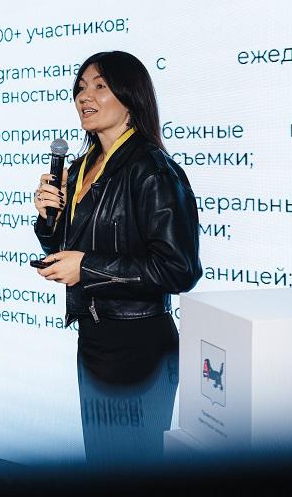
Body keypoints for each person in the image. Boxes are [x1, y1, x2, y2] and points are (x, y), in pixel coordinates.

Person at [32, 50, 201, 467]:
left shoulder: (152, 169)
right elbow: (64, 249)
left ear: (130, 98)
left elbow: (179, 268)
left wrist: (86, 268)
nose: (84, 97)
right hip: (95, 339)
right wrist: (49, 219)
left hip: (139, 346)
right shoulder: (80, 168)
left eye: (100, 86)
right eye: (80, 88)